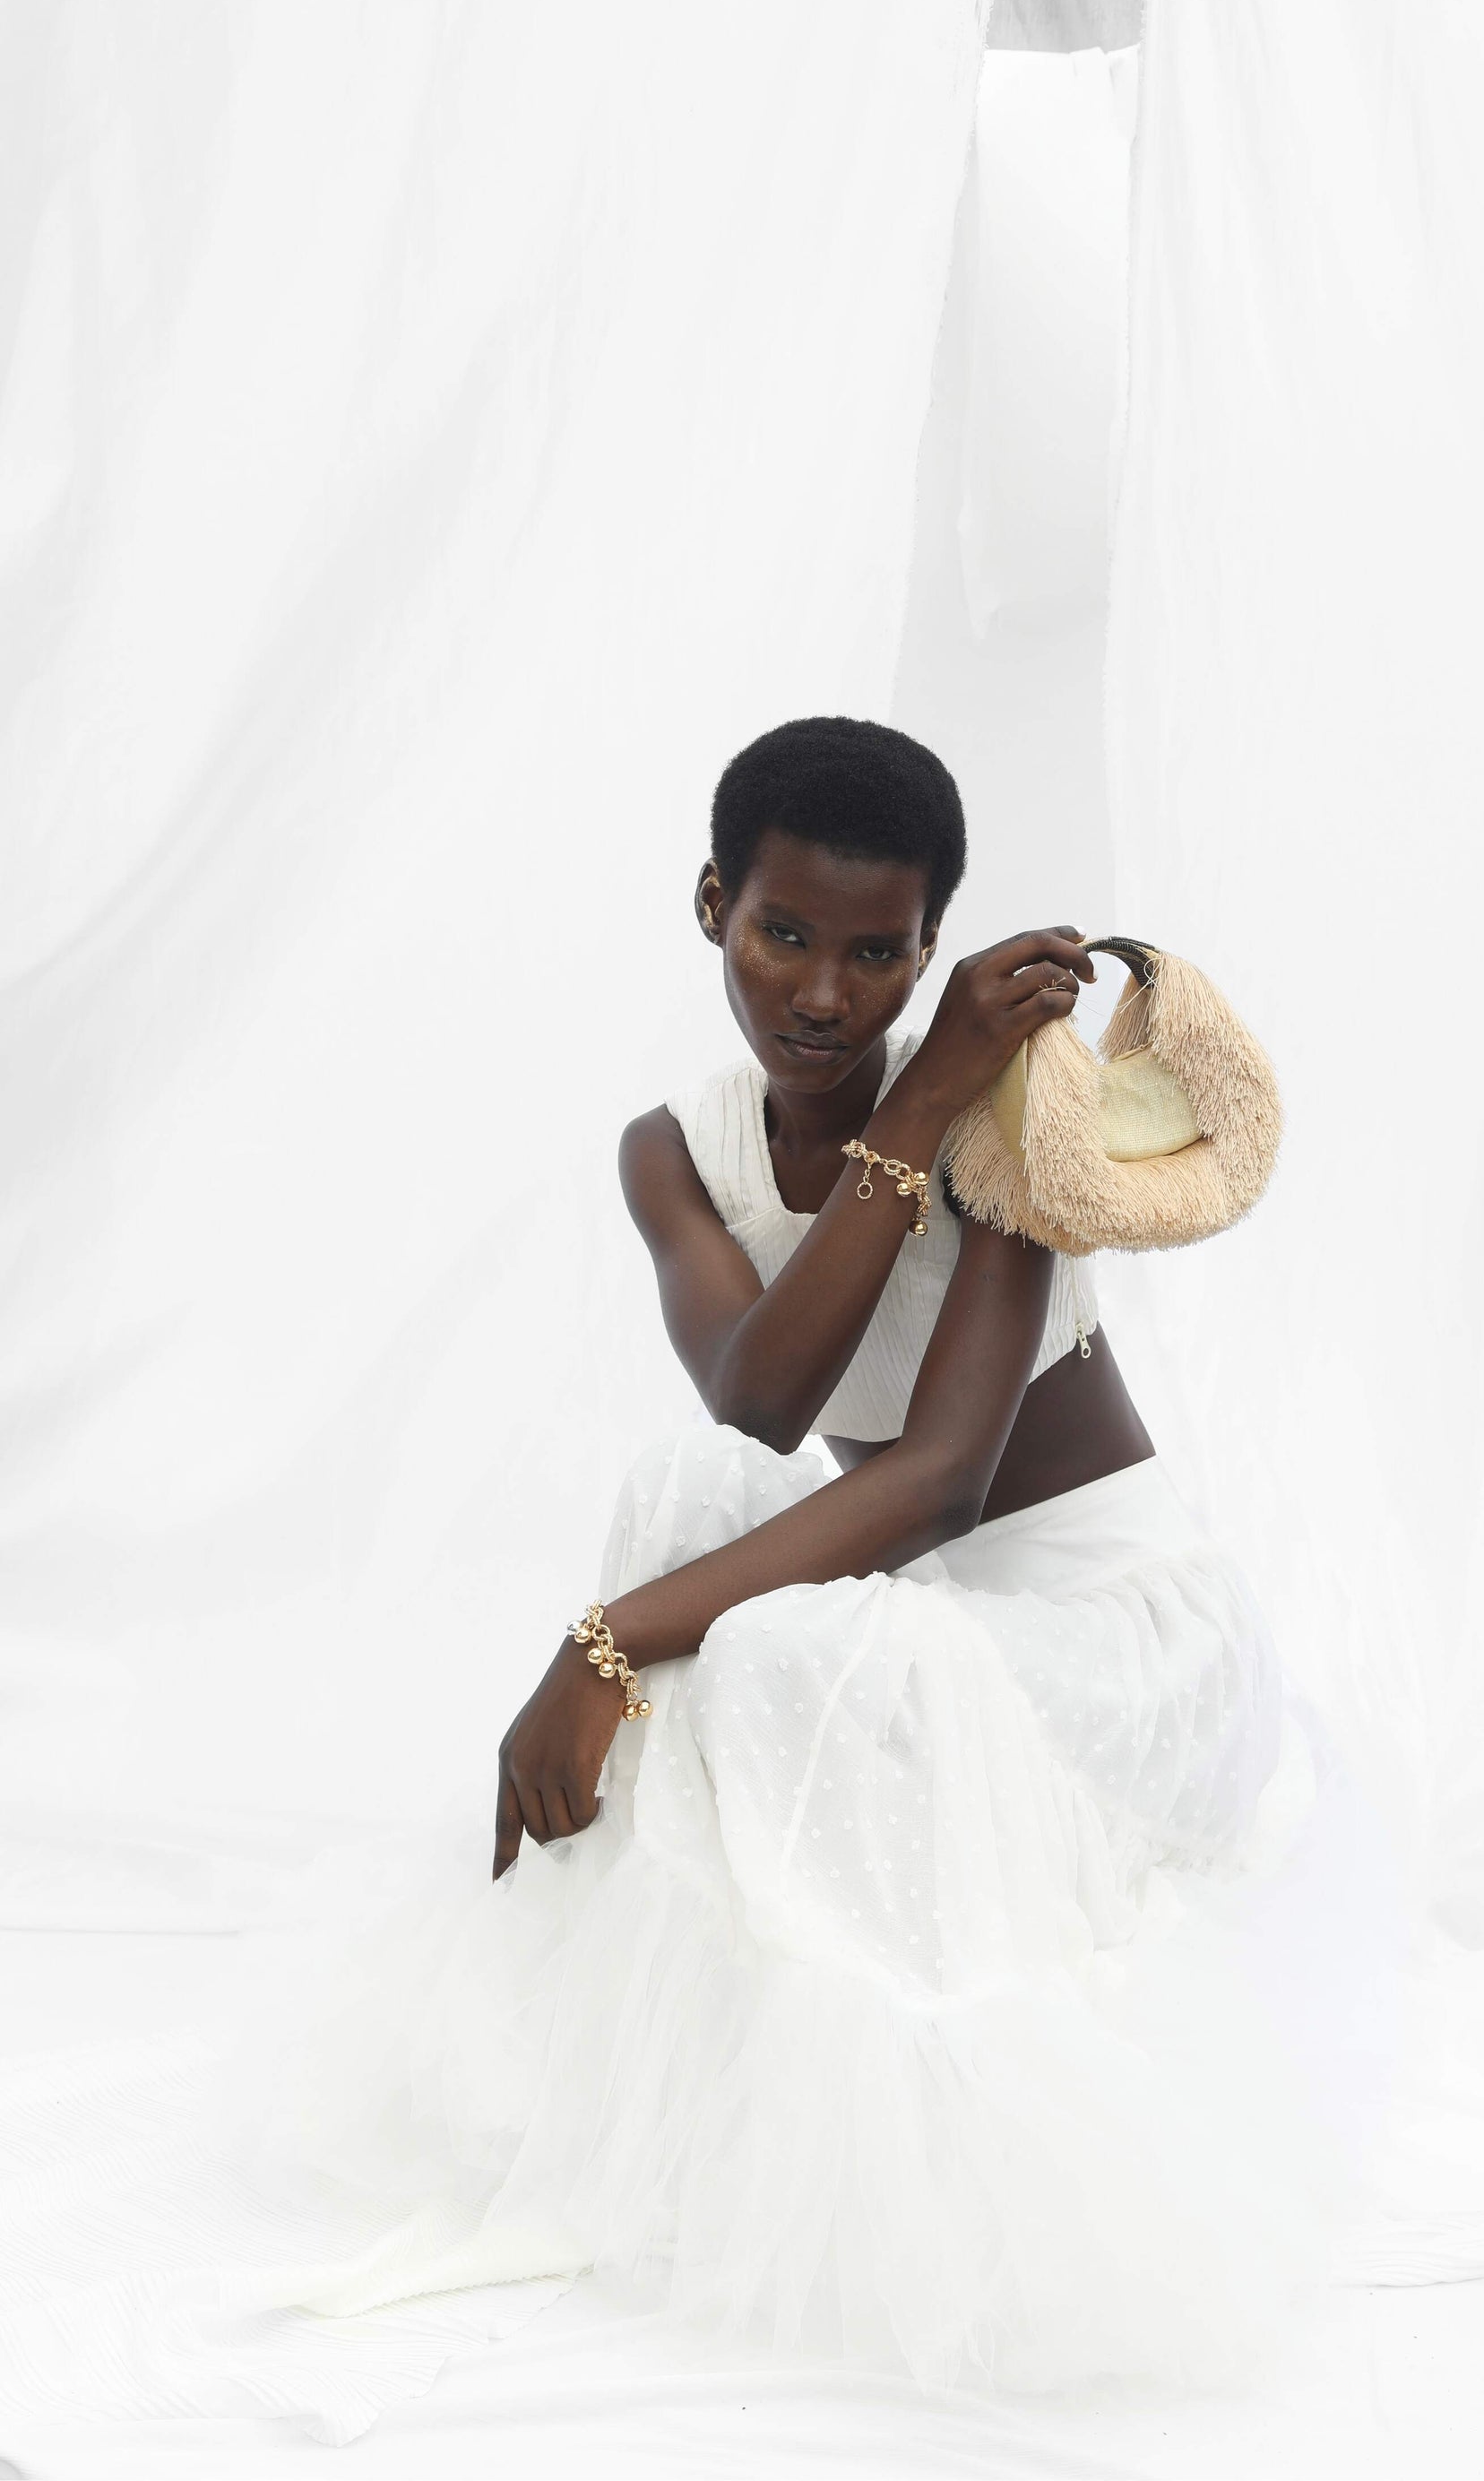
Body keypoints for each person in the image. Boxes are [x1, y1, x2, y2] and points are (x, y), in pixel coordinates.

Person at [0, 716, 1398, 2445]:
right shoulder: (674, 1150)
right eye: (781, 935)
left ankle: (910, 2138)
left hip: (1110, 1629)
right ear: (711, 905)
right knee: (691, 1494)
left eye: (877, 954)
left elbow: (939, 1478)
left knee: (778, 1653)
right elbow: (758, 1404)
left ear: (931, 953)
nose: (820, 994)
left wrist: (606, 1642)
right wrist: (629, 1628)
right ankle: (611, 2069)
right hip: (924, 1597)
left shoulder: (1007, 1122)